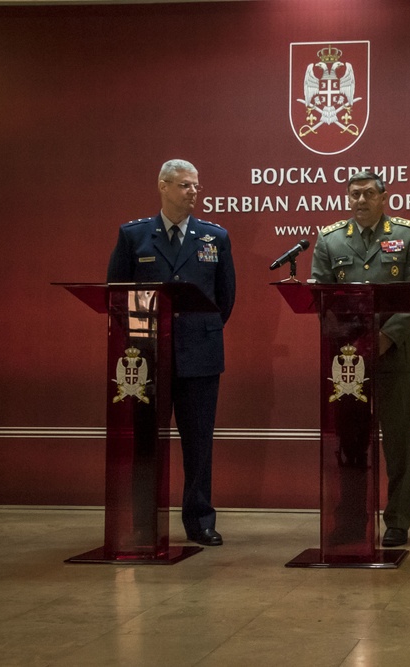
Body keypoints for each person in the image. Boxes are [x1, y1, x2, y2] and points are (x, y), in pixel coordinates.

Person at [107, 159, 237, 547]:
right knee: (147, 441)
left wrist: (200, 330)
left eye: (196, 186)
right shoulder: (134, 236)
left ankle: (200, 521)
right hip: (148, 358)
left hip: (200, 354)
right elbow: (117, 294)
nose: (193, 192)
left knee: (199, 443)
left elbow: (225, 298)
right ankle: (145, 519)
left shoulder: (215, 237)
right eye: (184, 185)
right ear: (162, 186)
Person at [310, 170, 410, 547]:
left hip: (393, 356)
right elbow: (320, 298)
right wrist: (353, 342)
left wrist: (384, 338)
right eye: (354, 194)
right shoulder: (330, 240)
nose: (360, 200)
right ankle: (350, 519)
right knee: (351, 442)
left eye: (367, 193)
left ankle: (396, 520)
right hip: (347, 363)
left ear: (383, 197)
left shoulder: (408, 235)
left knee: (397, 443)